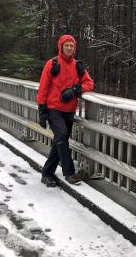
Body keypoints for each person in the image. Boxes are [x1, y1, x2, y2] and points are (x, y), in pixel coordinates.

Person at [36, 34, 94, 187]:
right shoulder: (52, 63)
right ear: (61, 47)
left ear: (74, 48)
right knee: (61, 136)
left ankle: (47, 173)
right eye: (66, 45)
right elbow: (43, 87)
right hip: (53, 108)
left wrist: (75, 89)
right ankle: (69, 173)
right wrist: (42, 109)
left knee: (59, 142)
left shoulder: (78, 66)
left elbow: (89, 83)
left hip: (69, 110)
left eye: (72, 46)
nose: (69, 48)